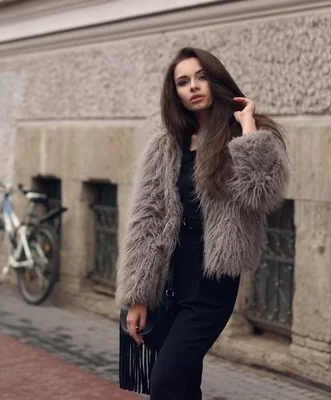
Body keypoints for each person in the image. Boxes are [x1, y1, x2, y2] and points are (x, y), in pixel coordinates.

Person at [115, 47, 290, 399]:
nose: (193, 87)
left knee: (164, 382)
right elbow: (147, 220)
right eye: (183, 81)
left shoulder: (247, 136)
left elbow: (262, 194)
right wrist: (137, 295)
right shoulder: (165, 145)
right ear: (175, 93)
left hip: (213, 279)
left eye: (201, 77)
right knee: (183, 383)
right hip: (169, 277)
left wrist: (248, 129)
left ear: (215, 81)